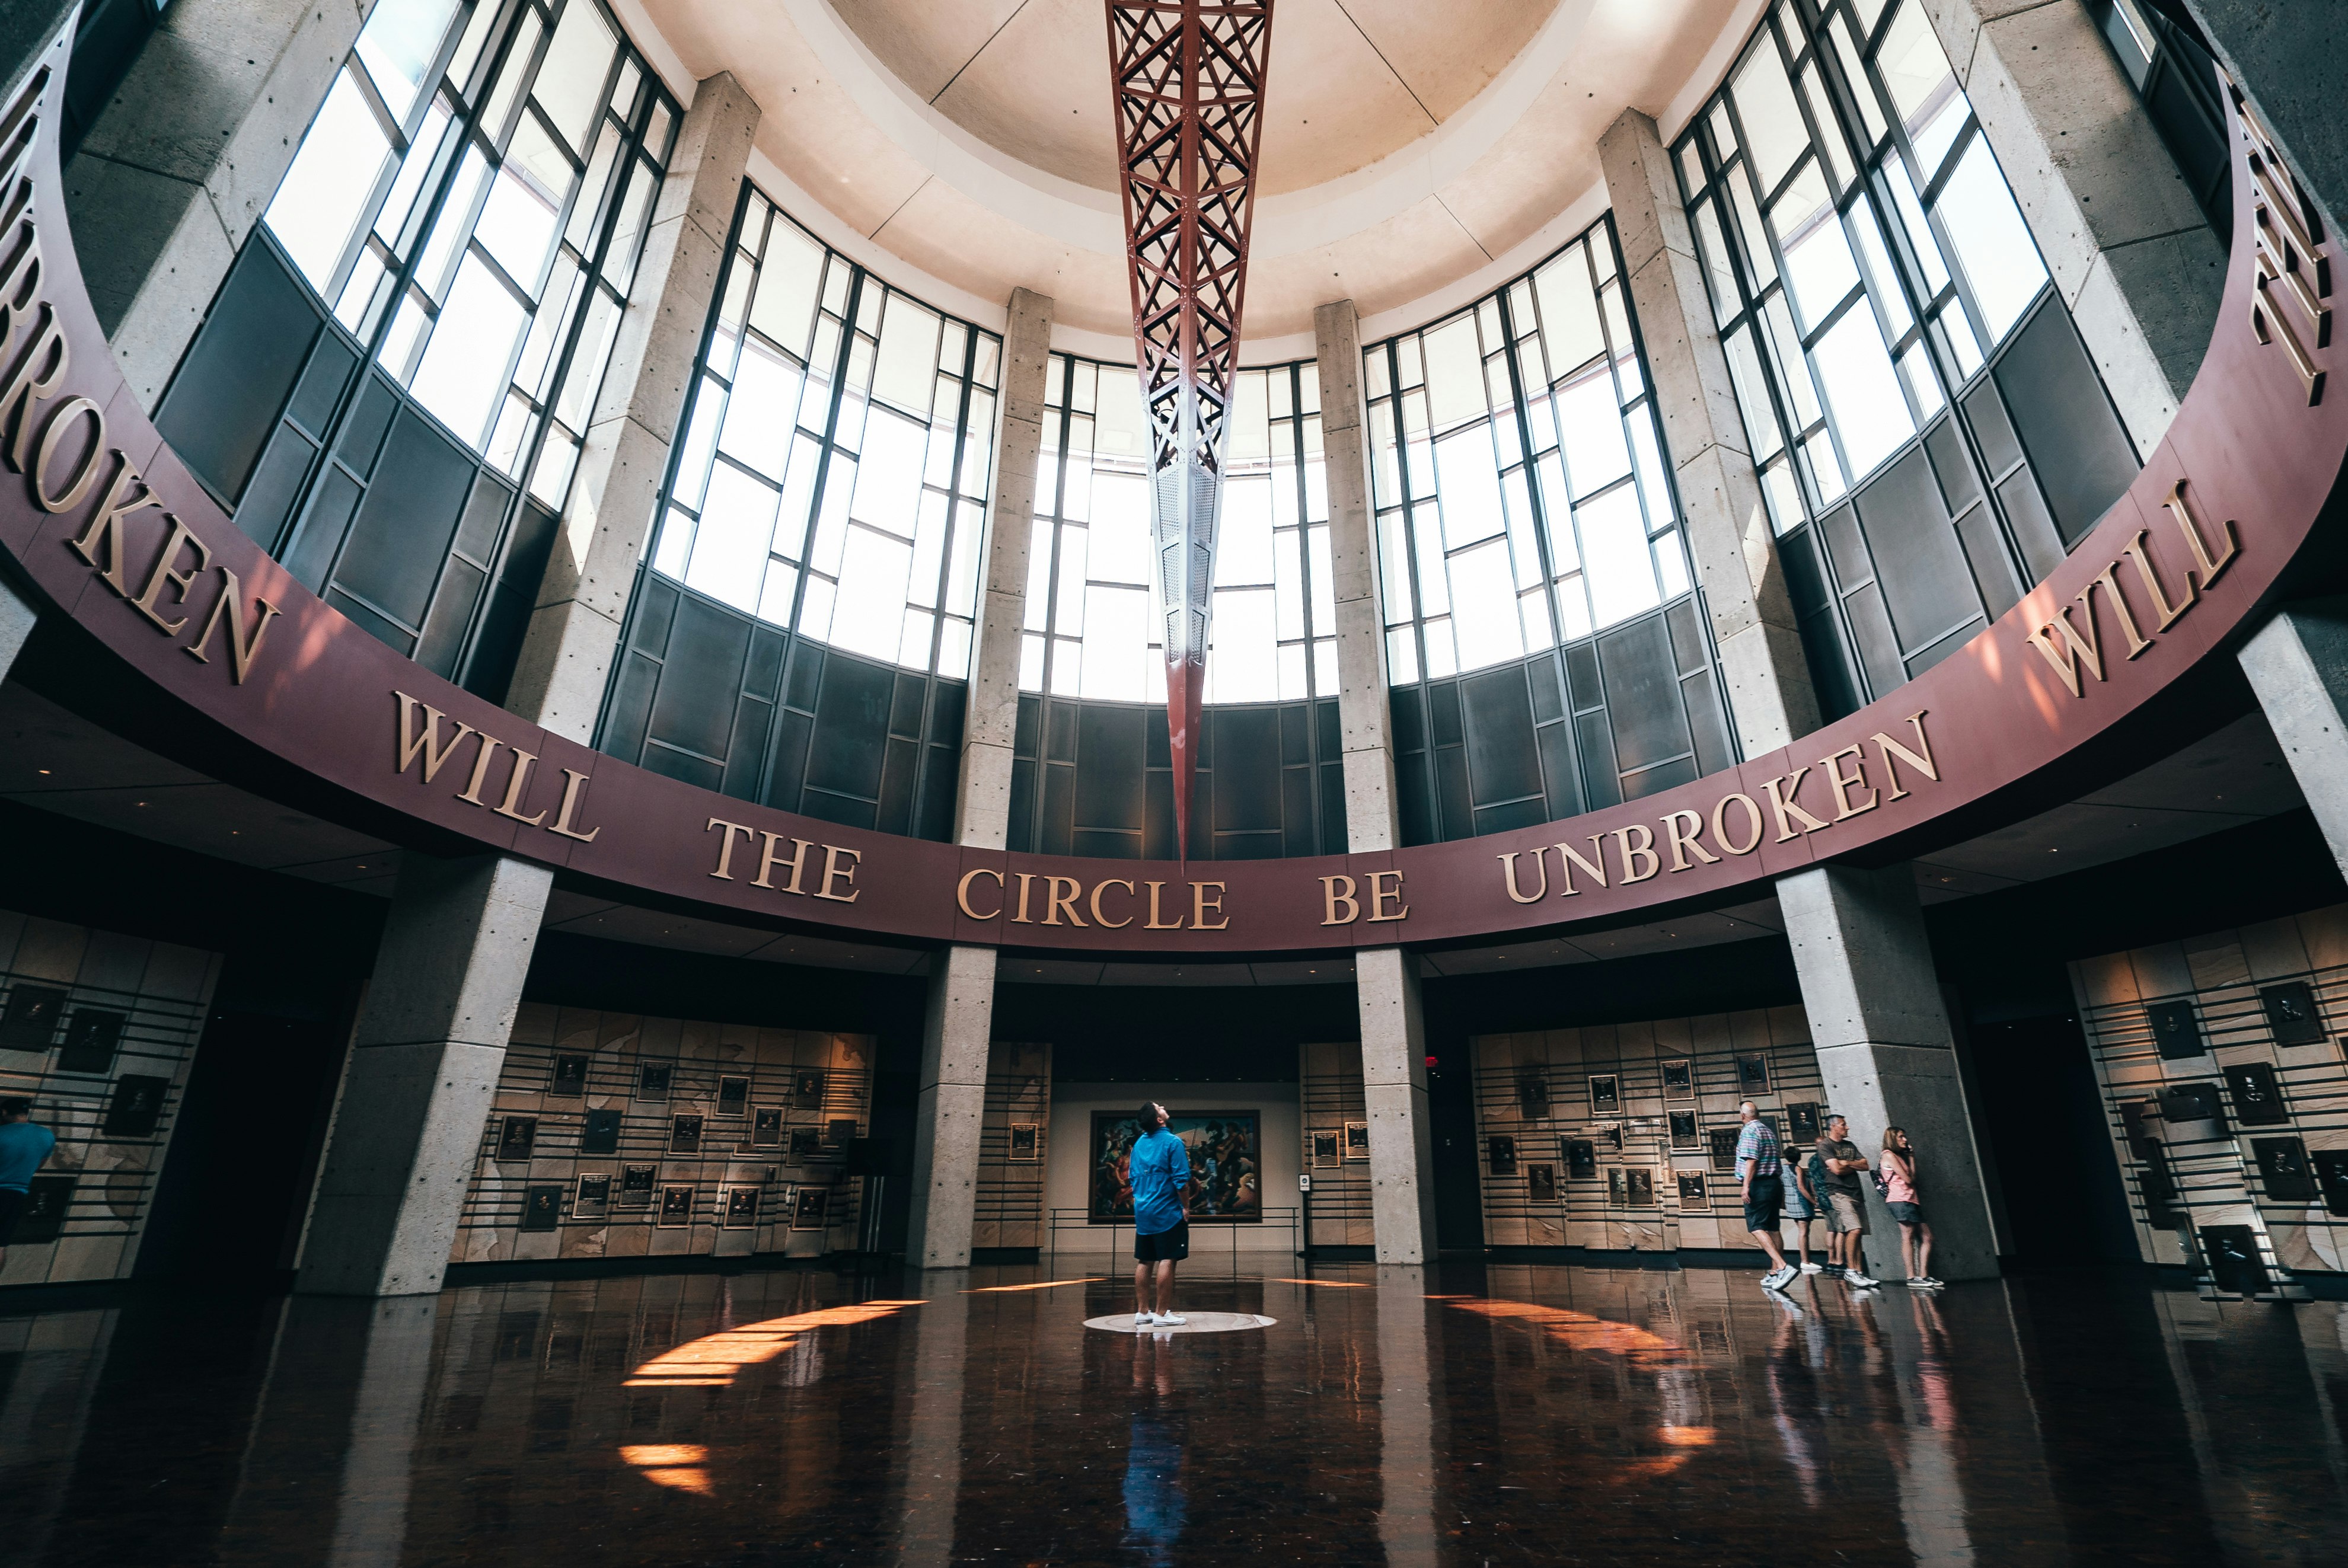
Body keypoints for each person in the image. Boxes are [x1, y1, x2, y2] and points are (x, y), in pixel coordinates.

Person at [1128, 1101, 1192, 1327]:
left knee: (1145, 1260)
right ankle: (1162, 1314)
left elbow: (1133, 1178)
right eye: (1159, 1107)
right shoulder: (1173, 1143)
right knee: (1168, 1258)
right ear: (1160, 1119)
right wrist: (1185, 1207)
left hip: (1144, 1211)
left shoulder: (1139, 1143)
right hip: (1167, 1212)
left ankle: (1142, 1312)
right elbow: (1182, 1182)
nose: (1163, 1106)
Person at [1734, 1101, 1798, 1294]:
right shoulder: (1768, 1130)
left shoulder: (1749, 1131)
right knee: (1773, 1228)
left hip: (1758, 1184)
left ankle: (1782, 1267)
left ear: (1743, 1115)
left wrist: (1746, 1186)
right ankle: (1774, 1273)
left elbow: (1752, 1160)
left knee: (1756, 1227)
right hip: (1773, 1183)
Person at [1814, 1114, 1880, 1289]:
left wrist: (1846, 1163)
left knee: (1858, 1235)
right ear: (1833, 1127)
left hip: (1856, 1193)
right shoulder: (1825, 1146)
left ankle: (1858, 1273)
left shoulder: (1850, 1145)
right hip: (1839, 1193)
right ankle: (1851, 1270)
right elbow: (1836, 1170)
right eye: (1843, 1124)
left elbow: (1866, 1165)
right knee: (1855, 1229)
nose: (1847, 1127)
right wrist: (1848, 1165)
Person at [1880, 1126, 1942, 1289]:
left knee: (1927, 1237)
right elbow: (1908, 1180)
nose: (1905, 1140)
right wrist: (1910, 1175)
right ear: (1892, 1139)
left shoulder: (1900, 1157)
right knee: (1908, 1236)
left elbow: (1913, 1178)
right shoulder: (1888, 1155)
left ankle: (1923, 1276)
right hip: (1900, 1200)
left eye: (1904, 1137)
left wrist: (1912, 1158)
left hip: (1910, 1200)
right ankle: (1912, 1277)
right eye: (1901, 1137)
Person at [0, 1097, 56, 1270]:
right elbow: (40, 1163)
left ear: (4, 1112)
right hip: (18, 1195)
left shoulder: (2, 1134)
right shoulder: (46, 1135)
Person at [1783, 1129, 1822, 1273]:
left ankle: (1805, 1260)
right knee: (1804, 1232)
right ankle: (1805, 1261)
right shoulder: (1798, 1169)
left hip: (1790, 1203)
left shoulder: (1783, 1169)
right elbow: (1801, 1187)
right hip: (1801, 1203)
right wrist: (1813, 1201)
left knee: (1801, 1231)